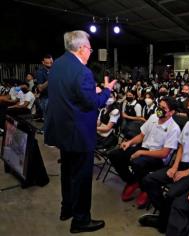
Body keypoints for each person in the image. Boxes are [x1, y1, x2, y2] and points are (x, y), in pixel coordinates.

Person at [45, 30, 116, 234]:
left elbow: (68, 93)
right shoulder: (82, 72)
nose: (90, 52)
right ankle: (81, 220)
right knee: (82, 178)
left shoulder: (57, 64)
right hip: (79, 134)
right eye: (90, 48)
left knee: (67, 172)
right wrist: (106, 90)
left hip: (62, 130)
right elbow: (95, 103)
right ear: (81, 48)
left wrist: (88, 91)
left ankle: (66, 209)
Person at [138, 96, 189, 233]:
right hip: (180, 164)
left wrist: (188, 171)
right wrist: (175, 167)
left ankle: (163, 220)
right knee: (149, 180)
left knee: (171, 194)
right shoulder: (188, 124)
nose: (187, 108)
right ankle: (165, 216)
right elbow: (180, 147)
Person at [108, 96, 181, 208]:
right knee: (114, 155)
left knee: (137, 162)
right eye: (159, 106)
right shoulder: (153, 117)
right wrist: (130, 142)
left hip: (158, 157)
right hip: (143, 148)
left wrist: (141, 153)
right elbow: (142, 136)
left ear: (171, 112)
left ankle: (145, 188)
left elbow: (164, 153)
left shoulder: (174, 129)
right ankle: (132, 181)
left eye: (163, 108)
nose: (159, 110)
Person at [36, 54, 53, 121]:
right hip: (46, 98)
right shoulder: (40, 72)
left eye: (51, 62)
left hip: (55, 97)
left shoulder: (54, 69)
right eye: (47, 63)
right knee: (48, 119)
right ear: (43, 62)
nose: (50, 64)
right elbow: (40, 88)